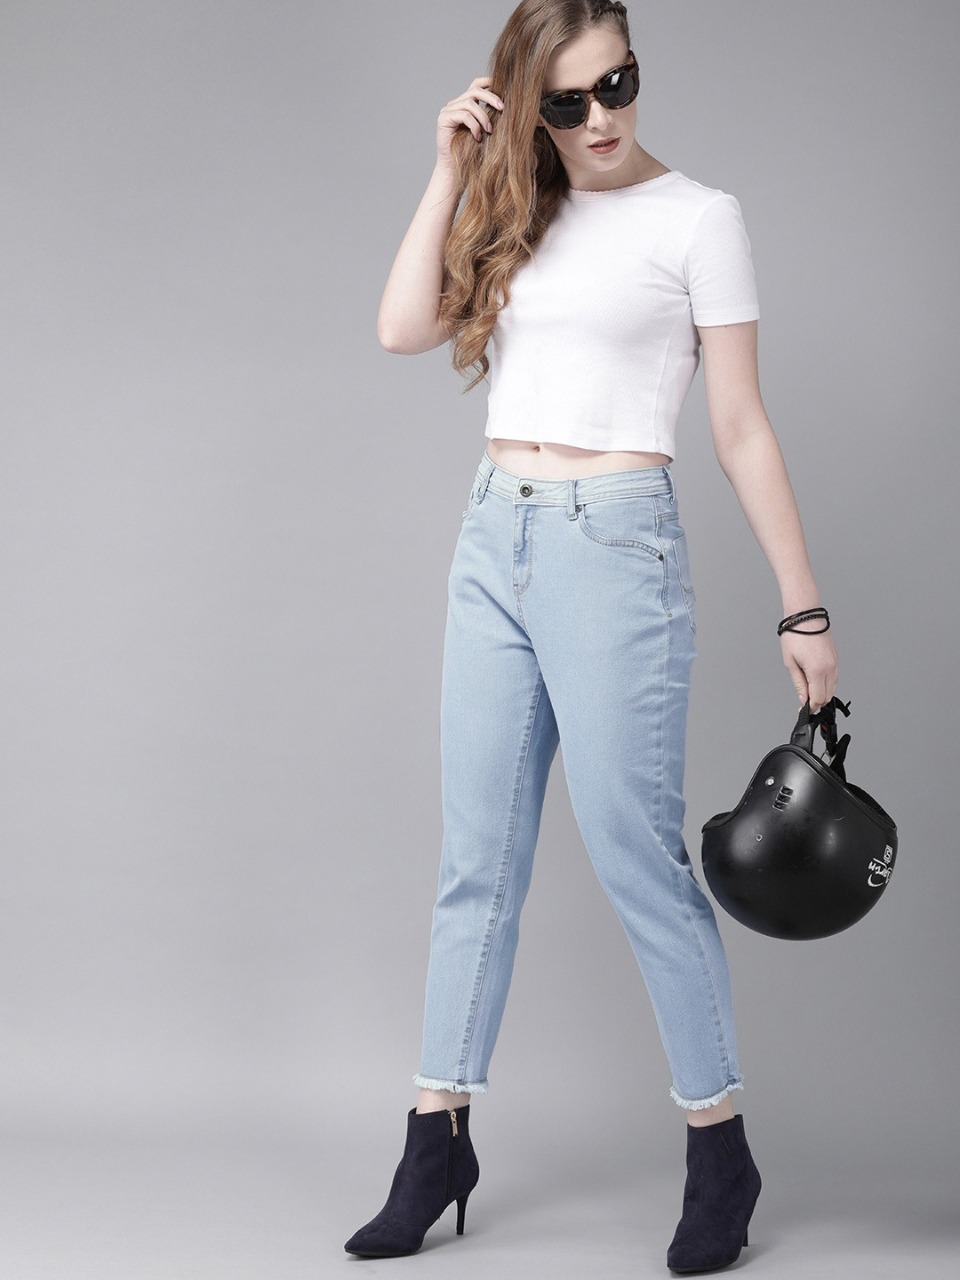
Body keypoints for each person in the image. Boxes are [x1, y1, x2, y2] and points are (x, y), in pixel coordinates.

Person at [345, 0, 838, 1271]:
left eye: (617, 83)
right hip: (492, 534)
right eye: (566, 102)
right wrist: (449, 169)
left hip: (616, 546)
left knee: (637, 856)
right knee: (477, 859)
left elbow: (739, 423)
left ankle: (718, 1145)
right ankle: (435, 1133)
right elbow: (400, 326)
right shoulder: (521, 206)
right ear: (528, 105)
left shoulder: (699, 218)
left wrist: (802, 603)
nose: (602, 118)